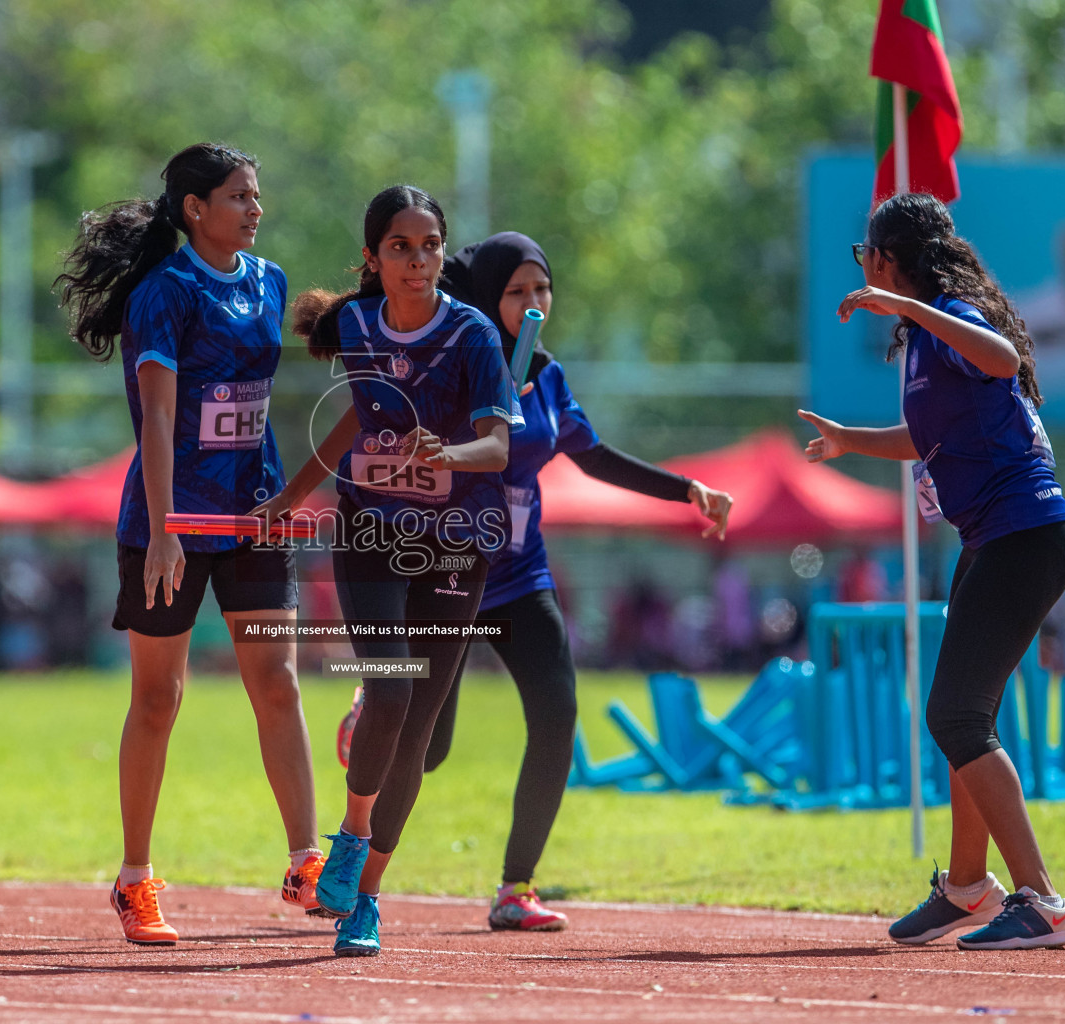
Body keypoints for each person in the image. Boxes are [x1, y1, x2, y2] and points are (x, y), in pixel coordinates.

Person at [413, 232, 733, 931]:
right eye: (517, 292)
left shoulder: (549, 378)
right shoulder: (453, 369)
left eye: (542, 290)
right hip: (446, 572)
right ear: (486, 299)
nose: (534, 304)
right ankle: (369, 715)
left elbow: (592, 458)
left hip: (521, 577)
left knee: (557, 716)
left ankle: (514, 888)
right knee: (425, 750)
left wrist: (686, 490)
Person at [799, 192, 1065, 951]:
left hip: (1026, 538)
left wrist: (909, 305)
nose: (865, 269)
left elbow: (1004, 360)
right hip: (994, 540)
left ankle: (1044, 901)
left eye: (870, 256)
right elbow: (925, 437)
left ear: (894, 262)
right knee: (963, 715)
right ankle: (966, 888)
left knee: (955, 717)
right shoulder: (923, 341)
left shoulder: (951, 316)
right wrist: (849, 440)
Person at [56, 142, 323, 946]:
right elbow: (160, 418)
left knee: (277, 681)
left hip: (252, 515)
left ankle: (307, 862)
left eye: (257, 193)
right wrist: (169, 530)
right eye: (240, 195)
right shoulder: (163, 294)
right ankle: (136, 879)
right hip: (171, 523)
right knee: (158, 699)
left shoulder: (269, 281)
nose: (256, 208)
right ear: (195, 209)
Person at [253, 186, 520, 957]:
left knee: (418, 728)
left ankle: (365, 895)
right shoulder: (358, 326)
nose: (419, 260)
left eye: (430, 244)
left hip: (458, 538)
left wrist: (449, 453)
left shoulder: (472, 335)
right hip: (369, 528)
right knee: (392, 689)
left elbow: (498, 446)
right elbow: (357, 420)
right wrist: (292, 493)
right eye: (401, 247)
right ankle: (351, 837)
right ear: (373, 258)